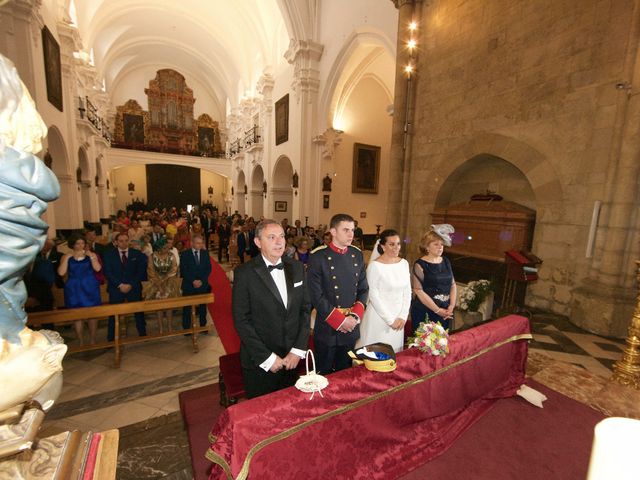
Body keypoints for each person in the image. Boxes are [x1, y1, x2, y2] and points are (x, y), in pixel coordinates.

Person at [233, 219, 311, 398]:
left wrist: (297, 351)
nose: (279, 242)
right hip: (261, 362)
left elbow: (305, 311)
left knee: (289, 410)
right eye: (272, 237)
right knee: (261, 417)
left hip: (292, 359)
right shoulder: (245, 273)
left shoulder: (297, 268)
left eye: (282, 236)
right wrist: (267, 358)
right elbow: (241, 320)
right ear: (258, 242)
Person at [307, 213, 369, 374]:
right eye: (346, 230)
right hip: (329, 326)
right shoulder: (318, 256)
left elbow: (363, 289)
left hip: (351, 327)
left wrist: (354, 317)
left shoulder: (356, 254)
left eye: (353, 230)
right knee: (324, 373)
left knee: (346, 372)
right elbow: (316, 296)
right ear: (333, 232)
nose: (351, 234)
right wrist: (340, 321)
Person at [356, 230, 411, 352]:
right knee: (376, 352)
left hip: (399, 317)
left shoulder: (404, 263)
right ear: (382, 246)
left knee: (393, 353)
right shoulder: (375, 266)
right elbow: (373, 295)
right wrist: (390, 320)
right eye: (391, 244)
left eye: (398, 244)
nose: (396, 247)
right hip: (379, 317)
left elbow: (407, 292)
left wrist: (403, 316)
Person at [410, 224, 457, 332]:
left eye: (442, 244)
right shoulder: (420, 264)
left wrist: (451, 306)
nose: (440, 247)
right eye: (436, 244)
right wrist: (437, 310)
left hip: (445, 311)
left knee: (441, 344)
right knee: (425, 345)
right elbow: (418, 290)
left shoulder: (446, 261)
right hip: (425, 311)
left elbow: (453, 285)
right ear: (427, 247)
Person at [58, 234, 102, 345]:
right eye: (78, 243)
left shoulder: (91, 255)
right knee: (77, 315)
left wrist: (91, 256)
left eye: (82, 243)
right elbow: (61, 273)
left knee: (92, 314)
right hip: (74, 288)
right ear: (72, 244)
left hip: (89, 286)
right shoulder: (66, 256)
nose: (80, 245)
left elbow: (97, 268)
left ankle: (93, 339)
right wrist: (66, 259)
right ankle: (80, 340)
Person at [103, 232, 148, 341]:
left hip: (133, 287)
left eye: (126, 240)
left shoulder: (137, 254)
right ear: (116, 242)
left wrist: (131, 284)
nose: (124, 243)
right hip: (116, 288)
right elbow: (108, 272)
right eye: (121, 241)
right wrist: (120, 284)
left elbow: (141, 271)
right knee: (114, 313)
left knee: (138, 311)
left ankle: (143, 333)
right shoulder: (109, 254)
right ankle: (111, 337)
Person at [145, 236, 181, 334]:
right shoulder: (152, 256)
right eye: (164, 248)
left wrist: (164, 280)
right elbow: (151, 271)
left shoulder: (171, 256)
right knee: (159, 306)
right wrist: (159, 284)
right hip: (155, 283)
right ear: (159, 247)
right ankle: (160, 327)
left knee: (169, 306)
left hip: (169, 282)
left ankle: (169, 326)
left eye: (168, 247)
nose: (167, 249)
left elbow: (174, 269)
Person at [180, 234, 212, 329]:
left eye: (201, 243)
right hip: (189, 285)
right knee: (187, 308)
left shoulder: (205, 253)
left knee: (202, 307)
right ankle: (186, 327)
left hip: (202, 285)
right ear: (192, 243)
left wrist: (201, 280)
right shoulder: (185, 254)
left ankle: (203, 326)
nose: (200, 245)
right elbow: (183, 270)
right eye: (198, 243)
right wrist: (193, 280)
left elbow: (208, 268)